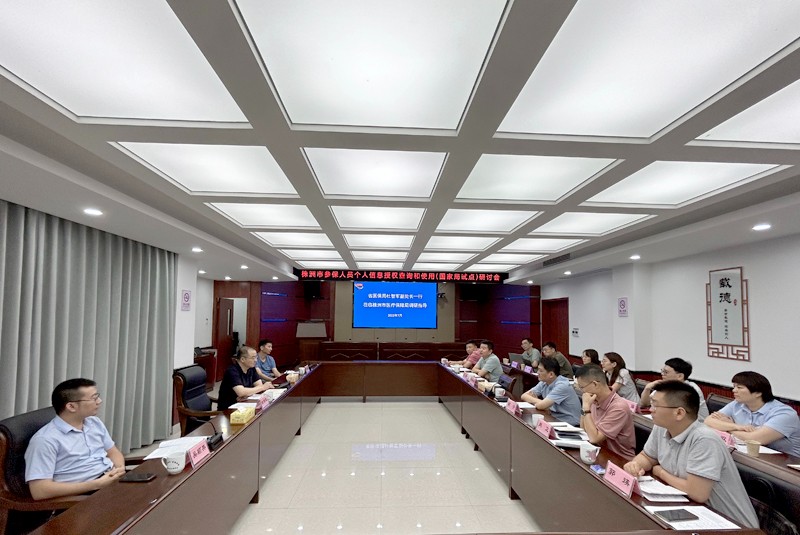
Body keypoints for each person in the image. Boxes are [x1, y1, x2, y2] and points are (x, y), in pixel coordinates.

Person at [623, 381, 758, 528]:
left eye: (655, 405)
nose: (651, 409)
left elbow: (697, 493)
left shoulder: (704, 439)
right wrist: (635, 465)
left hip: (731, 525)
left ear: (679, 413)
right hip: (692, 512)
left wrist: (660, 472)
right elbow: (647, 456)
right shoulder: (662, 427)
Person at [24, 378, 126, 500]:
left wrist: (119, 470)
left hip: (110, 482)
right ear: (71, 406)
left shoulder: (94, 422)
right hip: (82, 496)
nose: (99, 401)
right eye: (94, 398)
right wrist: (96, 484)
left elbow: (112, 451)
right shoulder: (45, 440)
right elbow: (39, 491)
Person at [705, 371, 800, 456]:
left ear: (758, 393)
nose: (734, 390)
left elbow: (755, 440)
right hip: (751, 456)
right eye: (734, 386)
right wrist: (738, 427)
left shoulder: (784, 413)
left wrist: (728, 427)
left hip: (785, 463)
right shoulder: (737, 404)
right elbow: (708, 421)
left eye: (739, 387)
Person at [575, 364, 635, 458]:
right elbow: (583, 429)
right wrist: (585, 407)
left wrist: (586, 408)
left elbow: (595, 438)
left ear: (595, 384)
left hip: (619, 458)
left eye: (582, 387)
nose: (582, 391)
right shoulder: (594, 399)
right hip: (598, 451)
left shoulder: (618, 407)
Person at [640, 358, 708, 421]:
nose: (662, 374)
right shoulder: (665, 385)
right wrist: (647, 389)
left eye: (666, 372)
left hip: (694, 424)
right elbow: (644, 404)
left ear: (680, 376)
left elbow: (678, 414)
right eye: (662, 371)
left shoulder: (692, 390)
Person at [521, 356, 582, 426]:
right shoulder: (544, 382)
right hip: (554, 417)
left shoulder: (562, 385)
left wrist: (541, 404)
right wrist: (541, 403)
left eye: (540, 371)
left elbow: (541, 406)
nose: (537, 372)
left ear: (551, 374)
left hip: (569, 423)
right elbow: (524, 396)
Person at [217, 346, 274, 410]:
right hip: (229, 408)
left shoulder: (251, 368)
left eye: (256, 357)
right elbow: (241, 392)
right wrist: (262, 387)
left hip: (244, 403)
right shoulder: (232, 371)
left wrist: (247, 393)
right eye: (253, 358)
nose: (255, 360)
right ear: (242, 359)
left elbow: (259, 385)